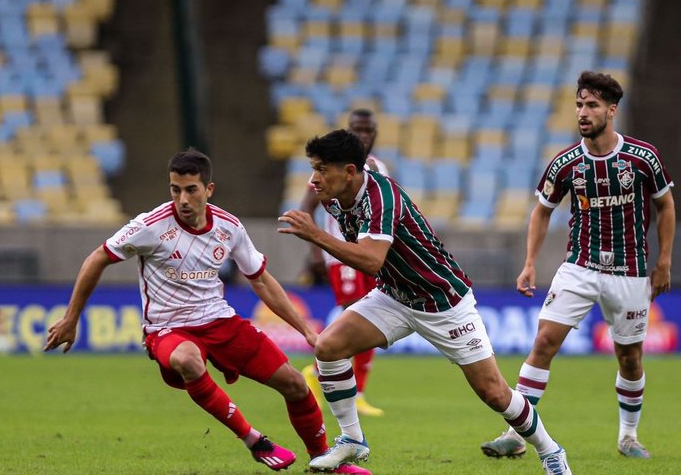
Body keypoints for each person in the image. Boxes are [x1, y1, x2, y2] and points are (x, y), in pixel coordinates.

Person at [44, 149, 371, 475]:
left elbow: (261, 280)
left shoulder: (228, 227)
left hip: (220, 321)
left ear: (208, 189)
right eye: (175, 189)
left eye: (191, 190)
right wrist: (72, 318)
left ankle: (324, 464)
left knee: (295, 384)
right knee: (188, 360)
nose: (182, 199)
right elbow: (97, 258)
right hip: (168, 329)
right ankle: (255, 440)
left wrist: (306, 330)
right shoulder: (150, 226)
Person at [278, 130, 573, 475]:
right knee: (328, 347)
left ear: (349, 172)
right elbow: (375, 265)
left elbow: (371, 260)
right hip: (394, 296)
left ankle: (551, 452)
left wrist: (316, 235)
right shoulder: (333, 197)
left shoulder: (381, 197)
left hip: (444, 302)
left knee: (494, 393)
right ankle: (352, 439)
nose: (314, 179)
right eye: (313, 168)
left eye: (322, 169)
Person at [480, 71, 675, 461]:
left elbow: (665, 205)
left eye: (591, 105)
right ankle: (516, 434)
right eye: (579, 105)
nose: (583, 113)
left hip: (630, 271)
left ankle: (628, 437)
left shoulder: (642, 156)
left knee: (630, 357)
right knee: (544, 343)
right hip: (579, 268)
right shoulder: (566, 163)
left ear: (611, 110)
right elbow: (541, 212)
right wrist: (530, 263)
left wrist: (664, 261)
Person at [300, 108, 388, 417]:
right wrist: (315, 253)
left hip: (371, 253)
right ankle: (317, 370)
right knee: (356, 311)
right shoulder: (331, 170)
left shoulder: (380, 168)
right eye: (357, 130)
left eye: (368, 130)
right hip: (342, 256)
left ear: (375, 133)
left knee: (371, 318)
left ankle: (357, 390)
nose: (364, 135)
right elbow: (306, 207)